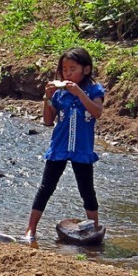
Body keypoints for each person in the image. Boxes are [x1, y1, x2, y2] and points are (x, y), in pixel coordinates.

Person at [24, 47, 105, 239]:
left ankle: (95, 228)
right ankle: (31, 229)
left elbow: (97, 112)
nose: (67, 73)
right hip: (59, 148)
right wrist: (47, 98)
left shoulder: (95, 90)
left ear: (86, 70)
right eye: (64, 69)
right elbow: (48, 121)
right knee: (46, 188)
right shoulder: (60, 94)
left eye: (72, 69)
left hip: (82, 149)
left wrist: (79, 93)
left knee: (87, 190)